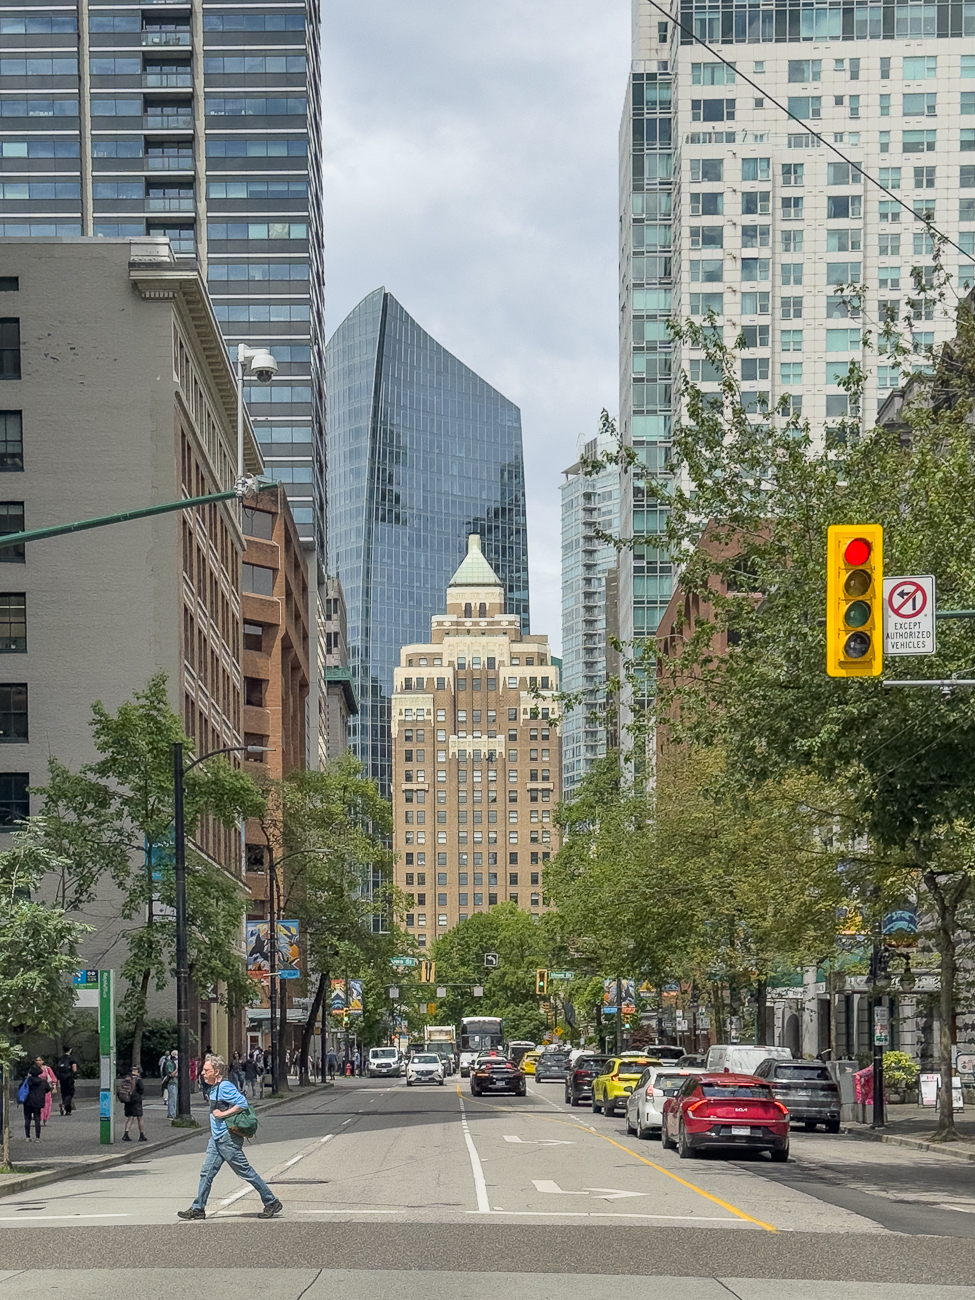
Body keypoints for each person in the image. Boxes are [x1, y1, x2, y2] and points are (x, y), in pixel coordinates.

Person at [177, 1053, 282, 1221]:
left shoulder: (225, 1086)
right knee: (206, 1173)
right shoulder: (214, 1088)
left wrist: (223, 1114)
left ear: (217, 1071)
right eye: (203, 1070)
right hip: (217, 1140)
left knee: (246, 1172)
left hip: (228, 1139)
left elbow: (242, 1103)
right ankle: (198, 1208)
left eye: (206, 1070)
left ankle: (271, 1201)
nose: (202, 1073)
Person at [22, 1063, 51, 1142]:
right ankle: (37, 1137)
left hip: (27, 1101)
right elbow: (48, 1089)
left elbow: (20, 1088)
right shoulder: (43, 1082)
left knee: (27, 1118)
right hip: (38, 1101)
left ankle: (27, 1137)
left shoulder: (27, 1080)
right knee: (37, 1119)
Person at [120, 1065, 147, 1143]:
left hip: (128, 1100)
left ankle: (126, 1134)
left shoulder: (126, 1078)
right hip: (136, 1100)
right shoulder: (138, 1080)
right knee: (139, 1117)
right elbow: (141, 1090)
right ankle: (142, 1135)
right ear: (135, 1072)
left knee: (130, 1117)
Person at [34, 1056, 58, 1126]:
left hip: (45, 1089)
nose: (38, 1062)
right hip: (36, 1089)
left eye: (39, 1060)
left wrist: (54, 1087)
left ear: (43, 1061)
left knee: (47, 1104)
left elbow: (53, 1078)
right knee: (37, 1104)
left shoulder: (47, 1069)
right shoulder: (34, 1069)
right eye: (37, 1060)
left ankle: (45, 1119)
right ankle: (39, 1118)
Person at [55, 1047, 77, 1115]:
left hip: (61, 1079)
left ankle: (66, 1108)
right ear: (70, 1050)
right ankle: (65, 1105)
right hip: (69, 1078)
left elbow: (56, 1068)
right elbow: (74, 1069)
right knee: (70, 1093)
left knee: (64, 1093)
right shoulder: (72, 1059)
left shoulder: (60, 1058)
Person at [162, 1049, 178, 1118]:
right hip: (172, 1082)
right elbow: (171, 1074)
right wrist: (178, 1070)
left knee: (173, 1098)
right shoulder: (169, 1063)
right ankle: (172, 1113)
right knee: (172, 1099)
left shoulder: (171, 1062)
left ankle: (171, 1113)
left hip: (174, 1082)